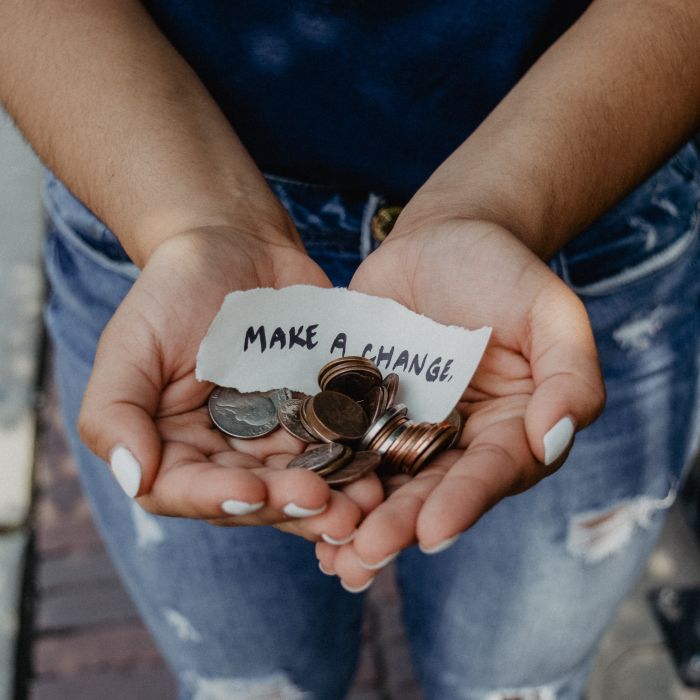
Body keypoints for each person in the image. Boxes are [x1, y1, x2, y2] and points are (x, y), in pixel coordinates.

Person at [2, 1, 700, 697]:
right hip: (154, 219)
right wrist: (196, 225)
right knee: (246, 688)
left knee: (520, 688)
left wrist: (497, 208)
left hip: (583, 200)